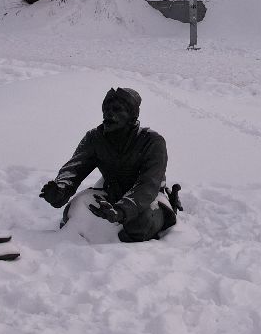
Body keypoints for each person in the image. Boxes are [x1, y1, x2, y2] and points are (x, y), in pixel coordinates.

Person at [39, 87, 179, 244]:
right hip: (110, 194)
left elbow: (149, 185)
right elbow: (74, 168)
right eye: (106, 109)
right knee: (73, 211)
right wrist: (60, 190)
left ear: (133, 117)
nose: (109, 114)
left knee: (139, 225)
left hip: (149, 200)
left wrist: (121, 210)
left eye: (117, 110)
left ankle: (116, 245)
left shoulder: (152, 141)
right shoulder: (94, 138)